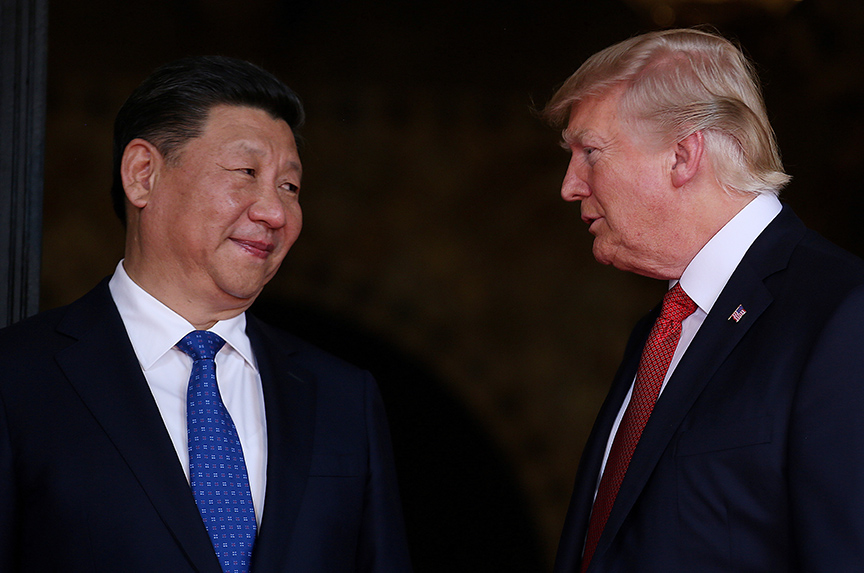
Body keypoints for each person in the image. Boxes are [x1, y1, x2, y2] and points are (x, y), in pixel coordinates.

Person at [0, 55, 412, 572]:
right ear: (143, 175)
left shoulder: (342, 398)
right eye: (246, 172)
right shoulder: (17, 379)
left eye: (289, 186)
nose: (275, 212)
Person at [544, 28, 864, 571]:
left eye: (590, 151)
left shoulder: (842, 315)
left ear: (683, 154)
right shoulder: (662, 330)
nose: (570, 185)